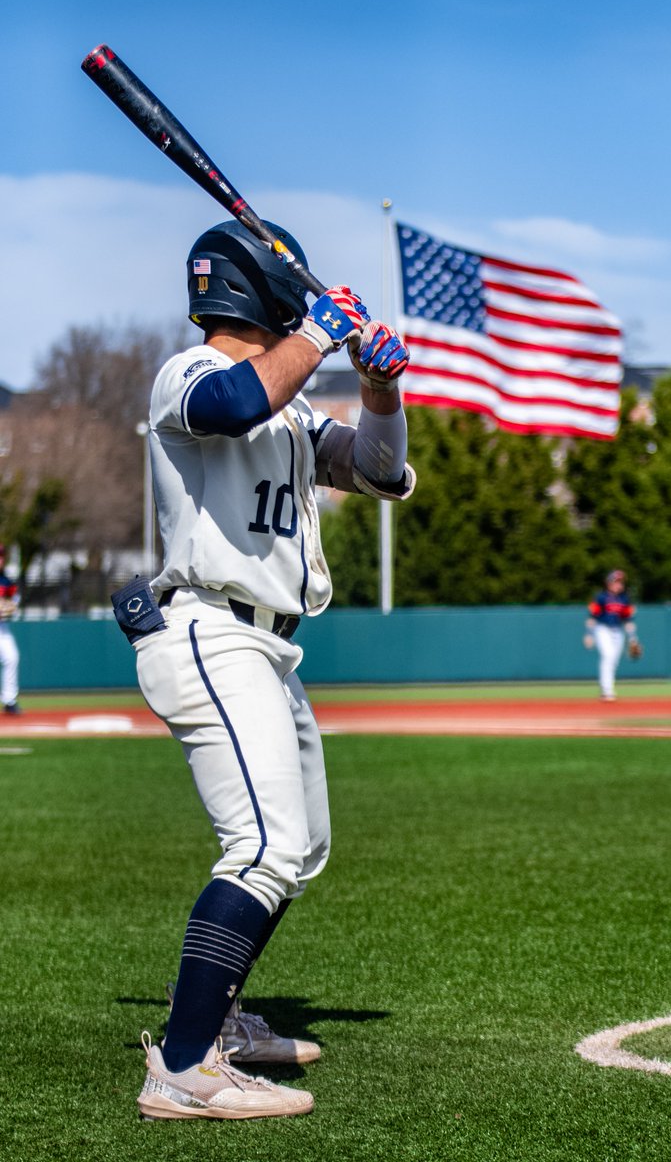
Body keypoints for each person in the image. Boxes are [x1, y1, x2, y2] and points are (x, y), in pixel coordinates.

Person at [114, 219, 415, 1121]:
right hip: (210, 628)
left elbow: (377, 468)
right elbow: (230, 406)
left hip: (268, 643)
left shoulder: (289, 406)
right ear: (262, 290)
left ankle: (222, 1020)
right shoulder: (191, 373)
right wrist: (321, 332)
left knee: (300, 848)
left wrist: (378, 386)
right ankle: (183, 1066)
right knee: (262, 848)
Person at [583, 569, 639, 701]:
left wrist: (633, 638)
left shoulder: (624, 599)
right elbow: (592, 616)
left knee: (614, 660)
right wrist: (588, 634)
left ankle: (607, 689)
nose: (619, 584)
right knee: (608, 656)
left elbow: (628, 620)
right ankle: (607, 690)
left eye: (621, 582)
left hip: (618, 631)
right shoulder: (601, 597)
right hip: (602, 629)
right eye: (616, 581)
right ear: (609, 583)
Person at [0, 543, 21, 714]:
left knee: (11, 657)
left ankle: (9, 700)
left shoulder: (6, 580)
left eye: (1, 556)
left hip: (1, 627)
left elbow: (15, 600)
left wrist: (12, 605)